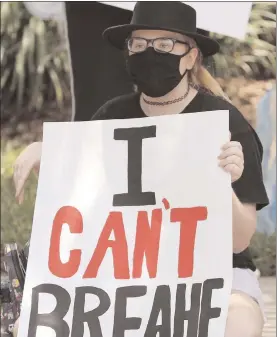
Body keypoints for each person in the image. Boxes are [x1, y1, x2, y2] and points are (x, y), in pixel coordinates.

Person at [13, 2, 269, 336]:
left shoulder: (224, 123)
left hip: (210, 273)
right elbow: (83, 194)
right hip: (125, 273)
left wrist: (223, 185)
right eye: (139, 44)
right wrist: (48, 152)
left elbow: (238, 242)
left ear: (191, 57)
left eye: (164, 45)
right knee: (29, 327)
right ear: (128, 53)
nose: (150, 53)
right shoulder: (111, 116)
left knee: (239, 321)